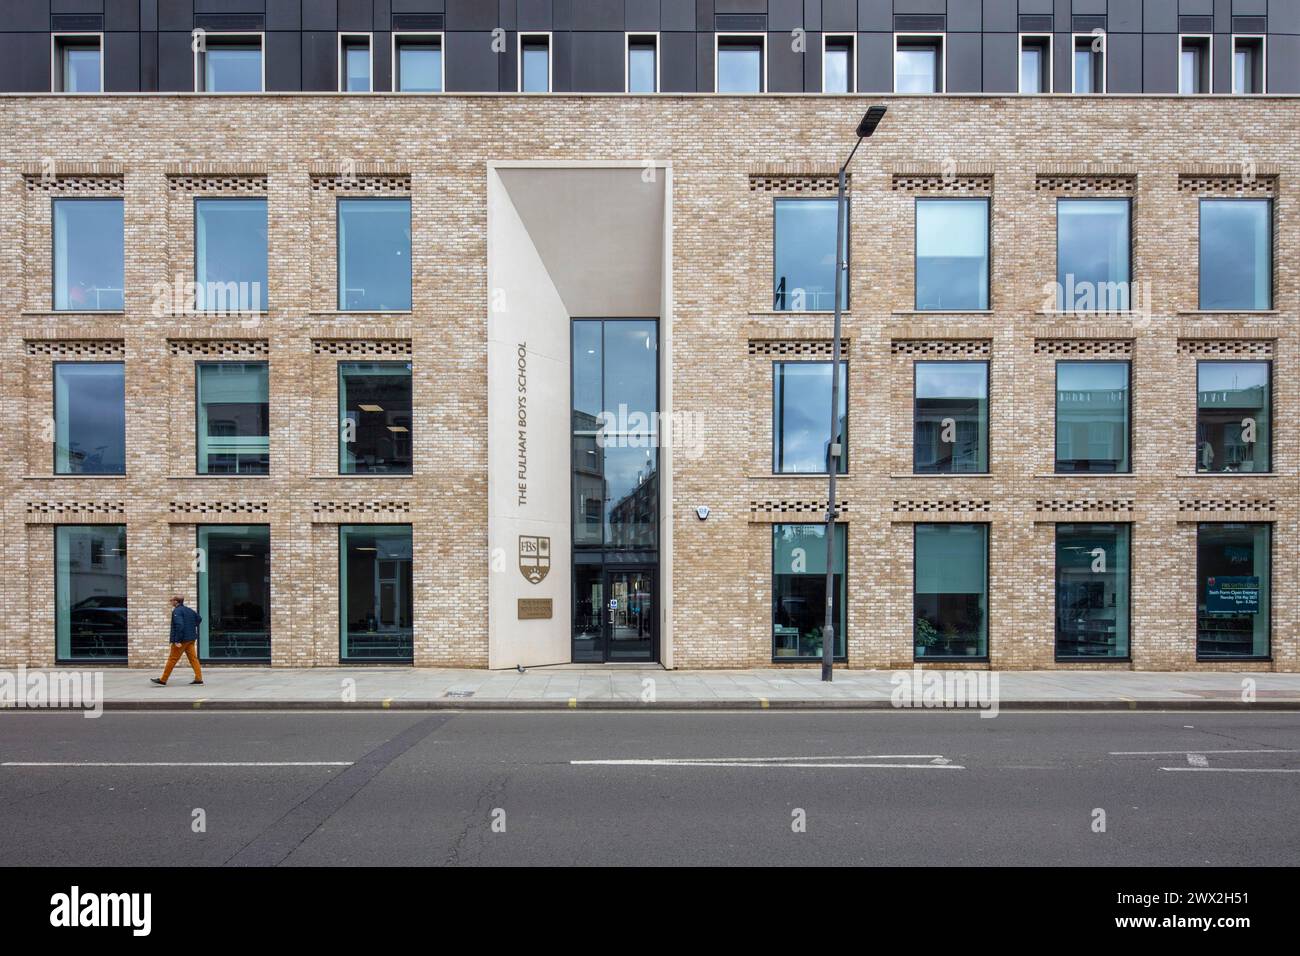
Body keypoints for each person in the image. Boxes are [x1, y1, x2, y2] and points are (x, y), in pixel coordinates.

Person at [151, 595, 203, 686]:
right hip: (191, 639)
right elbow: (199, 619)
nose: (171, 602)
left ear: (176, 601)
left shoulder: (177, 611)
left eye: (172, 600)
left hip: (182, 640)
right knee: (193, 659)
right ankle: (198, 679)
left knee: (172, 659)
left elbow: (179, 625)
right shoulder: (188, 610)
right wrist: (190, 627)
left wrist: (177, 640)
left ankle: (163, 680)